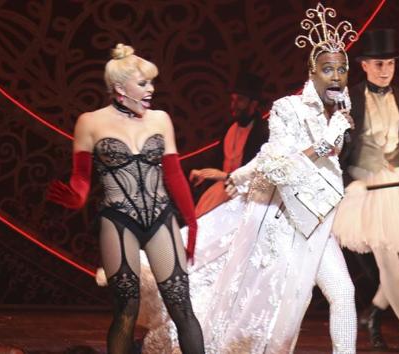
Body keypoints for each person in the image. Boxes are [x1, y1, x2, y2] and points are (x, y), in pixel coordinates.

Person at [141, 4, 357, 353]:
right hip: (281, 223)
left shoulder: (343, 116)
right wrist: (324, 141)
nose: (336, 76)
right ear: (312, 71)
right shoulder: (289, 109)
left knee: (343, 292)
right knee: (275, 314)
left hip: (317, 222)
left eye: (342, 69)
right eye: (328, 69)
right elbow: (277, 166)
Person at [47, 44, 204, 354]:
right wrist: (78, 196)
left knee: (182, 307)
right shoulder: (90, 122)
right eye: (144, 84)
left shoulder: (161, 119)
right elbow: (81, 177)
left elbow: (173, 175)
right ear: (120, 87)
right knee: (126, 309)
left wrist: (192, 222)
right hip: (118, 221)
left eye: (151, 83)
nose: (152, 89)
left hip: (160, 216)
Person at [333, 28, 399, 351]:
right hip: (366, 187)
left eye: (389, 63)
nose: (385, 70)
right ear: (363, 66)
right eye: (378, 64)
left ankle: (374, 313)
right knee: (387, 259)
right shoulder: (347, 99)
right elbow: (335, 145)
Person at [189, 71, 268, 216]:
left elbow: (260, 173)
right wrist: (202, 173)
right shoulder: (229, 128)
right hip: (220, 191)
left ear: (253, 104)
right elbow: (216, 163)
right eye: (233, 100)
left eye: (240, 100)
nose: (235, 105)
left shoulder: (263, 132)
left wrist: (226, 177)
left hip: (246, 195)